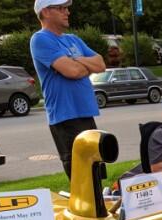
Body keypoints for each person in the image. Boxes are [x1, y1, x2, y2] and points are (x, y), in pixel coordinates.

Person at [30, 0, 105, 179]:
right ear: (46, 12)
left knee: (95, 171)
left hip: (85, 113)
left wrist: (74, 59)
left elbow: (101, 64)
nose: (67, 12)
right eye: (61, 8)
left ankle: (98, 207)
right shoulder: (40, 39)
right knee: (81, 177)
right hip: (65, 116)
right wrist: (84, 64)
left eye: (67, 8)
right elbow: (72, 71)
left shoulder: (73, 39)